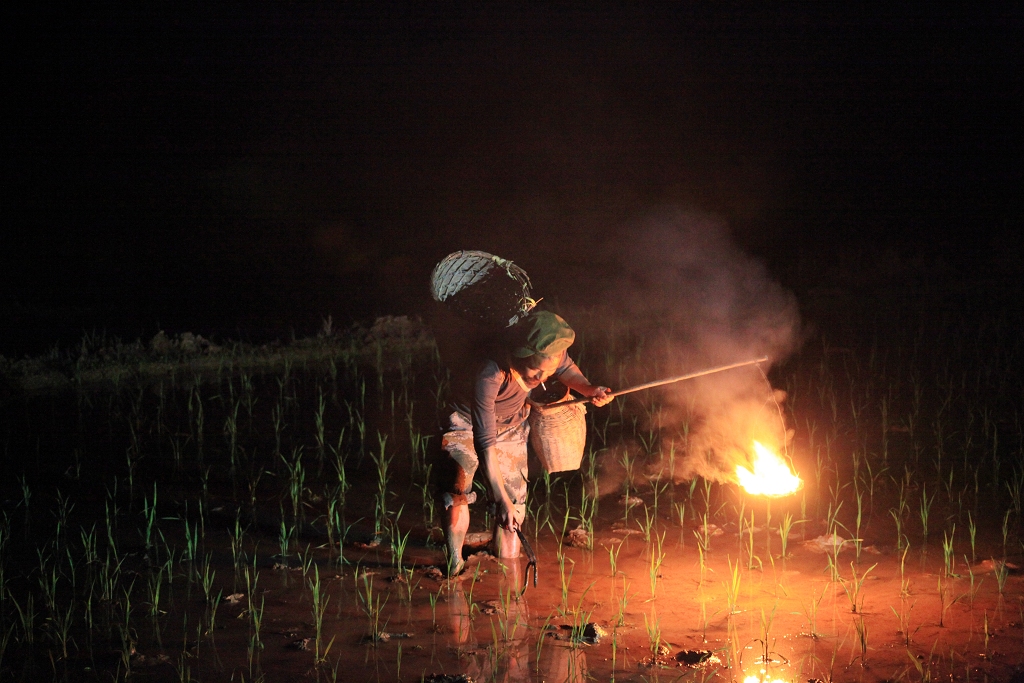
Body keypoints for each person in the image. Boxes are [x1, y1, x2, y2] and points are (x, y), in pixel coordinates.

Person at [440, 310, 613, 576]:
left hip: (512, 424)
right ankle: (454, 564)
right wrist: (499, 498)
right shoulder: (491, 372)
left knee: (514, 503)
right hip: (467, 422)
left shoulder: (551, 354)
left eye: (549, 370)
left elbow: (565, 368)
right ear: (521, 352)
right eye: (536, 369)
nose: (542, 378)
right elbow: (485, 442)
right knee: (458, 489)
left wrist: (590, 389)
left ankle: (508, 573)